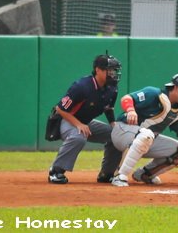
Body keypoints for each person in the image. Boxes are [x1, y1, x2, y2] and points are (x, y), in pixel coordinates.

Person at [47, 53, 123, 184]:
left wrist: (113, 125)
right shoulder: (81, 86)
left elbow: (108, 108)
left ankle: (106, 174)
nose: (113, 73)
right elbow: (60, 109)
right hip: (64, 120)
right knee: (79, 136)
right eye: (109, 70)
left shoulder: (112, 87)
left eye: (114, 70)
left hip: (85, 122)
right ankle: (56, 171)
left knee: (117, 136)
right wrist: (78, 125)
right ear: (98, 70)